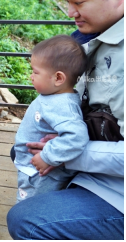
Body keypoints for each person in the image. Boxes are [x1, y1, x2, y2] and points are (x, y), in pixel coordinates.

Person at [8, 0, 123, 239]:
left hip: (116, 189)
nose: (70, 13)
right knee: (19, 149)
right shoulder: (91, 34)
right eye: (68, 2)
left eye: (78, 2)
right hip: (89, 162)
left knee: (28, 221)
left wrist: (60, 153)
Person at [12, 35, 90, 202]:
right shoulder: (55, 97)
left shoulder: (62, 105)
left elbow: (76, 137)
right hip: (32, 167)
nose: (31, 76)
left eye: (35, 72)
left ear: (58, 78)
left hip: (40, 172)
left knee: (30, 208)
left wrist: (47, 157)